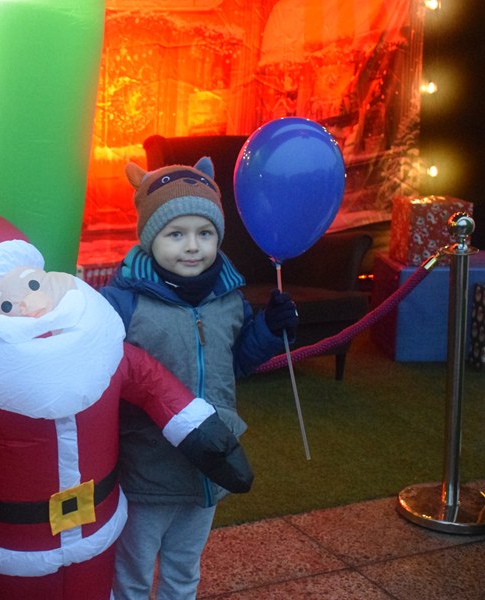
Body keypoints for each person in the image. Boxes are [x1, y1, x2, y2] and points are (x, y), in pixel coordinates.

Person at [0, 202, 253, 600]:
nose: (30, 305)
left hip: (96, 527)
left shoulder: (99, 343)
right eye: (5, 304)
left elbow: (152, 384)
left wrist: (205, 435)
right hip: (11, 544)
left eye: (32, 286)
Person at [101, 159, 299, 600]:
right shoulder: (121, 303)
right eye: (176, 234)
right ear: (150, 237)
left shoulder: (228, 299)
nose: (192, 247)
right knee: (131, 575)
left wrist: (269, 330)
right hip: (145, 472)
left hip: (209, 468)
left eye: (204, 233)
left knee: (183, 570)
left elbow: (238, 362)